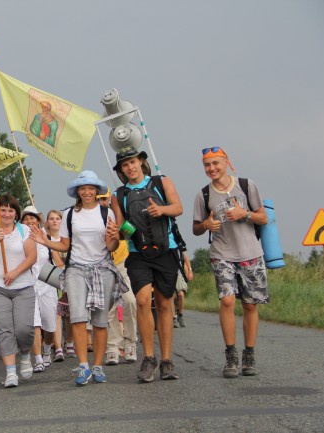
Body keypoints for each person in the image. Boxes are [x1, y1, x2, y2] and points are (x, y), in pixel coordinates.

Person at [31, 170, 127, 386]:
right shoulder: (70, 215)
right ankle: (83, 366)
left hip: (102, 268)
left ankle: (98, 366)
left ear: (96, 190)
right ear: (77, 191)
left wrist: (114, 237)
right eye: (83, 188)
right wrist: (45, 241)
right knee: (78, 317)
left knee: (101, 321)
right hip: (76, 269)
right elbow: (65, 245)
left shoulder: (107, 214)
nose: (87, 192)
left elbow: (111, 246)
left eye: (90, 188)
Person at [192, 146, 269, 378]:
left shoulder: (247, 185)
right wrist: (206, 225)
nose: (212, 168)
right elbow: (196, 228)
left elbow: (263, 217)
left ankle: (249, 354)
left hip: (250, 254)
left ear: (226, 162)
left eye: (216, 163)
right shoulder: (203, 194)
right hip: (221, 254)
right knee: (226, 301)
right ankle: (231, 355)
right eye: (207, 165)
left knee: (249, 305)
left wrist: (244, 214)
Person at [110, 148, 184, 383]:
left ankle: (166, 360)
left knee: (164, 304)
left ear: (141, 162)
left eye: (132, 162)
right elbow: (122, 229)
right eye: (125, 165)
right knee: (142, 300)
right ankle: (149, 357)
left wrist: (161, 210)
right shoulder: (119, 194)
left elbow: (178, 208)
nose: (130, 167)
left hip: (166, 249)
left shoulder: (162, 182)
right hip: (137, 253)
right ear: (121, 170)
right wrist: (117, 231)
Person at [0, 195, 37, 388]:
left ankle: (26, 354)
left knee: (24, 328)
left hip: (22, 285)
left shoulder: (24, 230)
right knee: (4, 329)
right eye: (3, 209)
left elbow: (32, 257)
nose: (6, 213)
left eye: (10, 210)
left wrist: (14, 272)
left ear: (16, 214)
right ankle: (11, 372)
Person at [96, 190, 138, 366]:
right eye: (99, 200)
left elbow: (131, 232)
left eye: (105, 199)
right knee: (109, 307)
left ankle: (130, 342)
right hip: (103, 264)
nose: (102, 202)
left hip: (122, 262)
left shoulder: (119, 215)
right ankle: (112, 346)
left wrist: (121, 229)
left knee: (130, 301)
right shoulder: (93, 217)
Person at [21, 206, 59, 373]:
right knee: (34, 323)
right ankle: (38, 359)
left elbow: (59, 262)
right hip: (28, 285)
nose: (29, 221)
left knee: (49, 326)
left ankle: (46, 348)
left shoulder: (47, 237)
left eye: (32, 218)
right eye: (26, 219)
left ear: (38, 220)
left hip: (47, 285)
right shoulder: (19, 239)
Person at [45, 209, 71, 362]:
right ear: (47, 222)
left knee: (69, 313)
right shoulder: (46, 239)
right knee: (56, 313)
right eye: (51, 218)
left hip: (69, 277)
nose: (55, 221)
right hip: (52, 278)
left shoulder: (66, 238)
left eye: (57, 218)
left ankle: (70, 342)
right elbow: (57, 262)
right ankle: (58, 346)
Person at [173, 252, 193, 328]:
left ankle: (180, 315)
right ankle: (173, 317)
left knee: (181, 294)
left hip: (180, 273)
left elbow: (185, 256)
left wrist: (189, 270)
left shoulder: (178, 244)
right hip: (169, 273)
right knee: (172, 297)